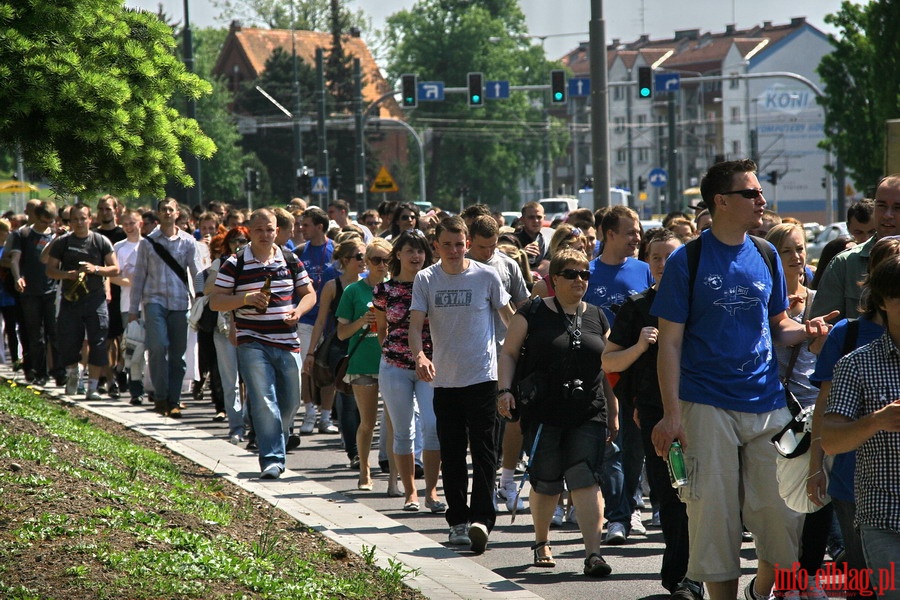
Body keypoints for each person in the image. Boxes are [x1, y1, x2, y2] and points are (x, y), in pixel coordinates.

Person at [650, 159, 835, 600]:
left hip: (767, 403)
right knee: (715, 523)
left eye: (759, 192)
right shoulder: (686, 260)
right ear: (721, 201)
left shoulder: (766, 253)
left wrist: (808, 331)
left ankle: (762, 591)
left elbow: (778, 326)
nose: (761, 200)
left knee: (780, 514)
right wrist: (672, 415)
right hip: (705, 405)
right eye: (751, 193)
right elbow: (669, 344)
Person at [498, 247, 616, 578]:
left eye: (585, 274)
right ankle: (541, 541)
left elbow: (608, 366)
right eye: (571, 274)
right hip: (543, 410)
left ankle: (593, 553)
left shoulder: (598, 315)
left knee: (585, 477)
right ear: (553, 280)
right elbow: (508, 353)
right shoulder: (532, 312)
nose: (580, 280)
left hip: (588, 410)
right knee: (546, 480)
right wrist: (505, 391)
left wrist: (615, 410)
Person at [602, 229, 702, 600]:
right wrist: (641, 345)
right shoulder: (636, 306)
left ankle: (696, 573)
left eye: (670, 257)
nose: (663, 264)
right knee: (673, 495)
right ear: (647, 262)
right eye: (656, 257)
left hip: (703, 410)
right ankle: (681, 577)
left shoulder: (699, 302)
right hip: (656, 416)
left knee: (705, 496)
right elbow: (609, 361)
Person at [409, 216, 512, 554]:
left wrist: (523, 351)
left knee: (483, 451)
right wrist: (420, 357)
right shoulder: (426, 278)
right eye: (447, 244)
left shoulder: (486, 275)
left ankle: (482, 519)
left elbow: (509, 317)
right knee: (452, 452)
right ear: (436, 246)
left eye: (459, 244)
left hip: (483, 376)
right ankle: (457, 522)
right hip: (445, 380)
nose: (454, 250)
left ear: (467, 244)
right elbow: (415, 327)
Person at [808, 236, 900, 600]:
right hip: (880, 513)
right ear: (882, 301)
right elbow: (829, 433)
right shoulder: (857, 362)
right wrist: (877, 420)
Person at [209, 209, 316, 479]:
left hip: (287, 340)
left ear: (277, 229)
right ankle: (272, 459)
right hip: (252, 341)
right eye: (259, 230)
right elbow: (216, 301)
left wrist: (298, 312)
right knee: (264, 400)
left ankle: (278, 436)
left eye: (270, 229)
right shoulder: (235, 263)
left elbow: (309, 294)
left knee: (291, 402)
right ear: (249, 230)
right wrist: (245, 299)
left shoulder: (289, 259)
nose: (266, 235)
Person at [765, 223, 831, 599]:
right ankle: (786, 582)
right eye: (787, 250)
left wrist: (819, 336)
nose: (797, 256)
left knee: (817, 497)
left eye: (801, 248)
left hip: (813, 408)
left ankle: (808, 575)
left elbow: (826, 359)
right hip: (775, 412)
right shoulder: (767, 302)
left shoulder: (819, 298)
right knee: (783, 504)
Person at [585, 205, 654, 545]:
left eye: (638, 231)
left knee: (634, 447)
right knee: (610, 449)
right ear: (609, 234)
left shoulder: (643, 270)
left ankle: (633, 509)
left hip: (632, 376)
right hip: (596, 375)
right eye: (630, 232)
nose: (636, 237)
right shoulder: (587, 273)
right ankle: (617, 514)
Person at [373, 229, 445, 512]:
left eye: (421, 250)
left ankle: (432, 492)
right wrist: (392, 354)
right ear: (398, 255)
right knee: (402, 432)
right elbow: (382, 329)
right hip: (394, 366)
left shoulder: (434, 286)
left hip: (431, 367)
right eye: (410, 250)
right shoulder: (384, 290)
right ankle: (410, 493)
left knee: (432, 426)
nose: (416, 256)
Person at [466, 216, 531, 514]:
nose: (488, 252)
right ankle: (487, 484)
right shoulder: (459, 266)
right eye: (482, 247)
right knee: (483, 428)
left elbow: (523, 307)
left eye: (492, 246)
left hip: (505, 353)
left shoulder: (507, 265)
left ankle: (504, 480)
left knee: (507, 420)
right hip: (471, 357)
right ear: (470, 242)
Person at [128, 198, 202, 417]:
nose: (168, 213)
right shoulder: (147, 243)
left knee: (178, 356)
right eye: (164, 210)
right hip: (154, 302)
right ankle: (160, 397)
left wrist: (200, 297)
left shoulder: (188, 242)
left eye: (171, 209)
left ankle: (174, 399)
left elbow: (196, 272)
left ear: (177, 213)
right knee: (158, 347)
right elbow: (139, 277)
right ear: (158, 214)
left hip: (180, 303)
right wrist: (133, 309)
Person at [46, 203, 119, 400]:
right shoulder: (62, 242)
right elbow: (50, 269)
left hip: (95, 300)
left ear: (90, 219)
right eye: (75, 219)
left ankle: (93, 387)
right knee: (69, 342)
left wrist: (95, 269)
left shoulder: (100, 240)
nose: (79, 222)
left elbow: (115, 269)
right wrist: (66, 275)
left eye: (83, 218)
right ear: (70, 221)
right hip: (71, 300)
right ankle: (73, 377)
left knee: (98, 342)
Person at [336, 238, 393, 491]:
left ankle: (394, 477)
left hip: (393, 363)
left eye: (387, 260)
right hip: (362, 362)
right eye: (376, 260)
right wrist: (362, 321)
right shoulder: (353, 291)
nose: (382, 265)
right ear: (367, 262)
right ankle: (364, 470)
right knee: (368, 422)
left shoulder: (397, 289)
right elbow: (341, 334)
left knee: (394, 423)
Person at [303, 237, 364, 468]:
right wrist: (310, 353)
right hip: (340, 348)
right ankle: (354, 452)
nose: (364, 261)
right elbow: (319, 322)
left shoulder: (370, 284)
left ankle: (362, 447)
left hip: (365, 346)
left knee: (363, 402)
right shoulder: (332, 286)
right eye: (359, 256)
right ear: (346, 260)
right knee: (348, 400)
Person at [812, 175, 900, 320]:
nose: (887, 215)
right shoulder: (845, 264)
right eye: (881, 206)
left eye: (897, 208)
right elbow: (823, 331)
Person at [203, 227, 250, 444]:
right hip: (223, 327)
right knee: (230, 379)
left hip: (251, 326)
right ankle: (236, 427)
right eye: (233, 240)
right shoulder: (220, 262)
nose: (238, 244)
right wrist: (227, 271)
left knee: (252, 378)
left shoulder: (255, 262)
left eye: (242, 240)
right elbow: (207, 288)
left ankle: (252, 422)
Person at [6, 201, 60, 387]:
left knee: (54, 332)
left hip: (52, 290)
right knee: (36, 335)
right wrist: (17, 277)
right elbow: (15, 260)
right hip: (30, 292)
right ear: (36, 217)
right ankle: (40, 372)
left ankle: (59, 371)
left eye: (50, 222)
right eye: (44, 221)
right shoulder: (23, 234)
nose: (47, 225)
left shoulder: (55, 235)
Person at [295, 207, 337, 435]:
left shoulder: (335, 251)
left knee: (329, 368)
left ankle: (326, 417)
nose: (301, 229)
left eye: (306, 225)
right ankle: (309, 413)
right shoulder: (301, 251)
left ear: (319, 227)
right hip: (307, 320)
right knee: (307, 367)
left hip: (330, 322)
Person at [110, 209, 145, 405]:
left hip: (149, 303)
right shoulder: (119, 247)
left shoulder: (148, 245)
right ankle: (136, 390)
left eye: (133, 223)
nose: (129, 227)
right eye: (126, 224)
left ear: (140, 223)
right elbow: (112, 275)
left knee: (153, 348)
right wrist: (129, 281)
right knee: (132, 347)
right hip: (128, 304)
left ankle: (151, 386)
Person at [515, 202, 552, 276]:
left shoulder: (549, 240)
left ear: (544, 218)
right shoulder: (513, 240)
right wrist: (521, 254)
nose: (536, 221)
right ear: (522, 219)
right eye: (531, 217)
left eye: (539, 217)